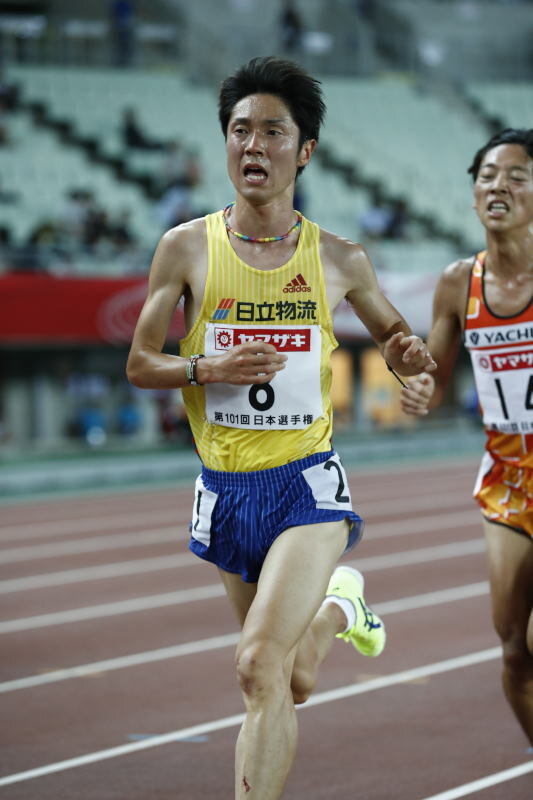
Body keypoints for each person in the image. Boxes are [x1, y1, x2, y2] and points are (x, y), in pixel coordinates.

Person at [127, 56, 435, 799]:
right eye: (240, 130)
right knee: (288, 680)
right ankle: (343, 608)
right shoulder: (185, 247)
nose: (253, 145)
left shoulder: (337, 259)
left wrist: (411, 363)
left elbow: (397, 338)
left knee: (255, 667)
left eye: (272, 131)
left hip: (305, 488)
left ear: (305, 151)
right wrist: (208, 369)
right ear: (224, 144)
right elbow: (140, 363)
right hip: (227, 490)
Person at [400, 128, 533, 749]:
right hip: (507, 478)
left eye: (515, 176)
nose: (497, 186)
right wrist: (420, 389)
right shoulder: (459, 283)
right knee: (512, 651)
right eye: (486, 176)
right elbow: (432, 370)